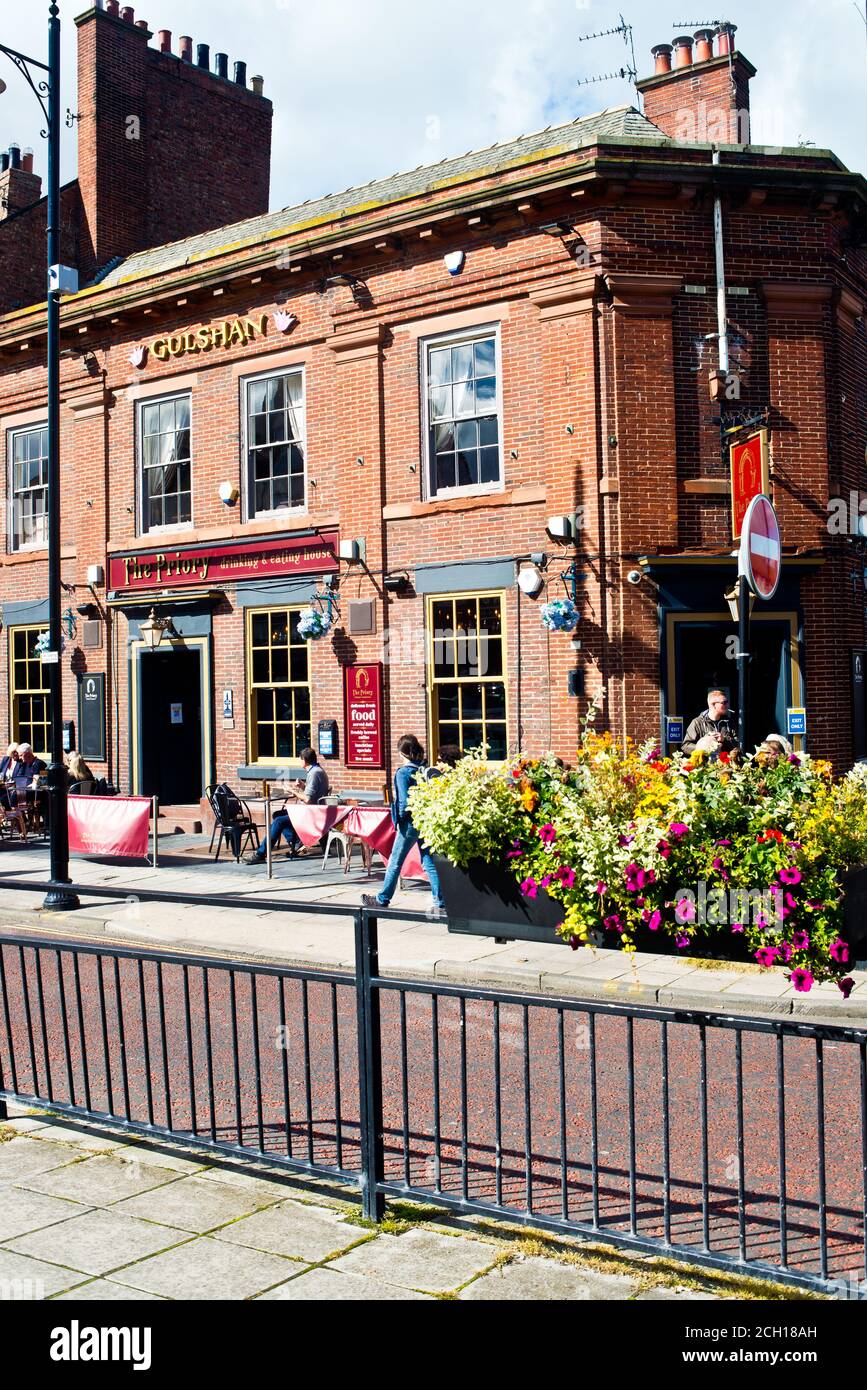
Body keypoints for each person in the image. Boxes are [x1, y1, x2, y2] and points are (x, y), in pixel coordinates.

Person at [361, 734, 445, 914]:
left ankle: (382, 899)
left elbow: (404, 802)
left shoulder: (402, 772)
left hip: (409, 823)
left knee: (395, 861)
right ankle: (440, 901)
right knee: (429, 861)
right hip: (425, 820)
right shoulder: (423, 770)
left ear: (403, 752)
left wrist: (398, 821)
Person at [245, 747, 329, 864]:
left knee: (279, 821)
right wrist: (303, 786)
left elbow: (308, 799)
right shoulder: (318, 771)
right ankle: (296, 843)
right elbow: (314, 793)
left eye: (300, 759)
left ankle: (260, 853)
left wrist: (292, 791)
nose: (300, 762)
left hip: (310, 813)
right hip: (314, 810)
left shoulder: (314, 774)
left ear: (304, 760)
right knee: (277, 814)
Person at [681, 690, 740, 756]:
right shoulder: (698, 722)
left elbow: (738, 744)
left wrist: (724, 740)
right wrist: (704, 746)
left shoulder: (729, 722)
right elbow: (685, 746)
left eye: (727, 702)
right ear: (713, 705)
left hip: (726, 765)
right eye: (724, 702)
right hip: (704, 765)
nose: (727, 705)